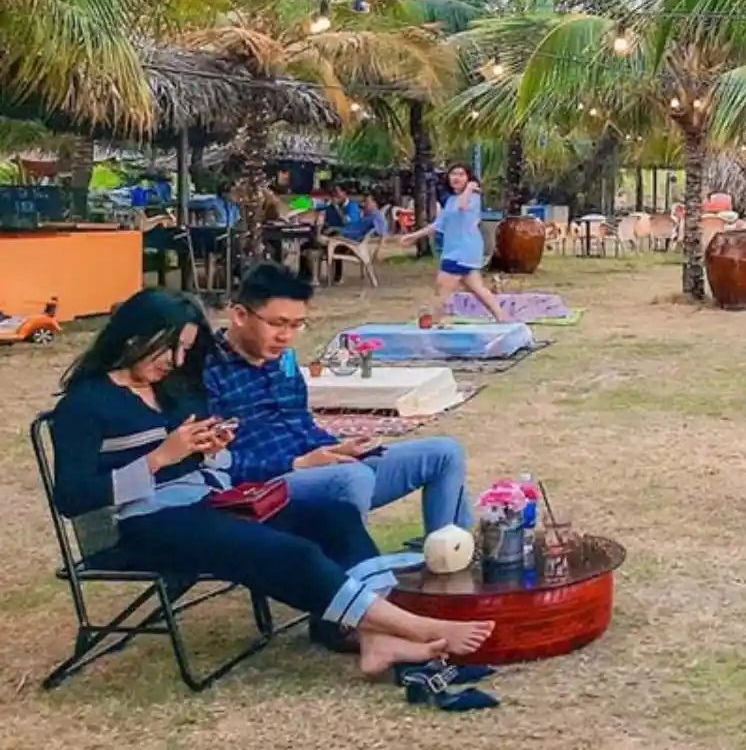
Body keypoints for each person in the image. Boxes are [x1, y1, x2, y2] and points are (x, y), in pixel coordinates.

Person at [47, 288, 492, 676]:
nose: (176, 361)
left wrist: (213, 449)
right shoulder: (86, 405)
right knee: (286, 551)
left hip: (208, 503)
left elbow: (207, 463)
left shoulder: (173, 390)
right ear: (133, 336)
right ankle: (414, 627)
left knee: (332, 516)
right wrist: (159, 459)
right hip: (140, 524)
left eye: (184, 350)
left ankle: (375, 640)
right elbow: (72, 498)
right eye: (169, 349)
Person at [206, 263, 473, 537]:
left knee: (445, 452)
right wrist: (296, 464)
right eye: (277, 324)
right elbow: (214, 462)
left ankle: (449, 557)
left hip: (319, 471)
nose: (286, 336)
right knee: (353, 478)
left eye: (297, 325)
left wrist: (338, 448)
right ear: (239, 315)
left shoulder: (282, 360)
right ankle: (354, 573)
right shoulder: (206, 372)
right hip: (265, 487)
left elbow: (301, 424)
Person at [392, 163, 508, 323]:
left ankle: (432, 322)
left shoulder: (473, 197)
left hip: (462, 251)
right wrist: (413, 236)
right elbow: (439, 225)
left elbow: (462, 206)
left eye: (461, 174)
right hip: (456, 251)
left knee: (442, 289)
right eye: (453, 174)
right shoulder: (450, 200)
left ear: (468, 178)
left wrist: (469, 188)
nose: (456, 177)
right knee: (477, 289)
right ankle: (502, 318)